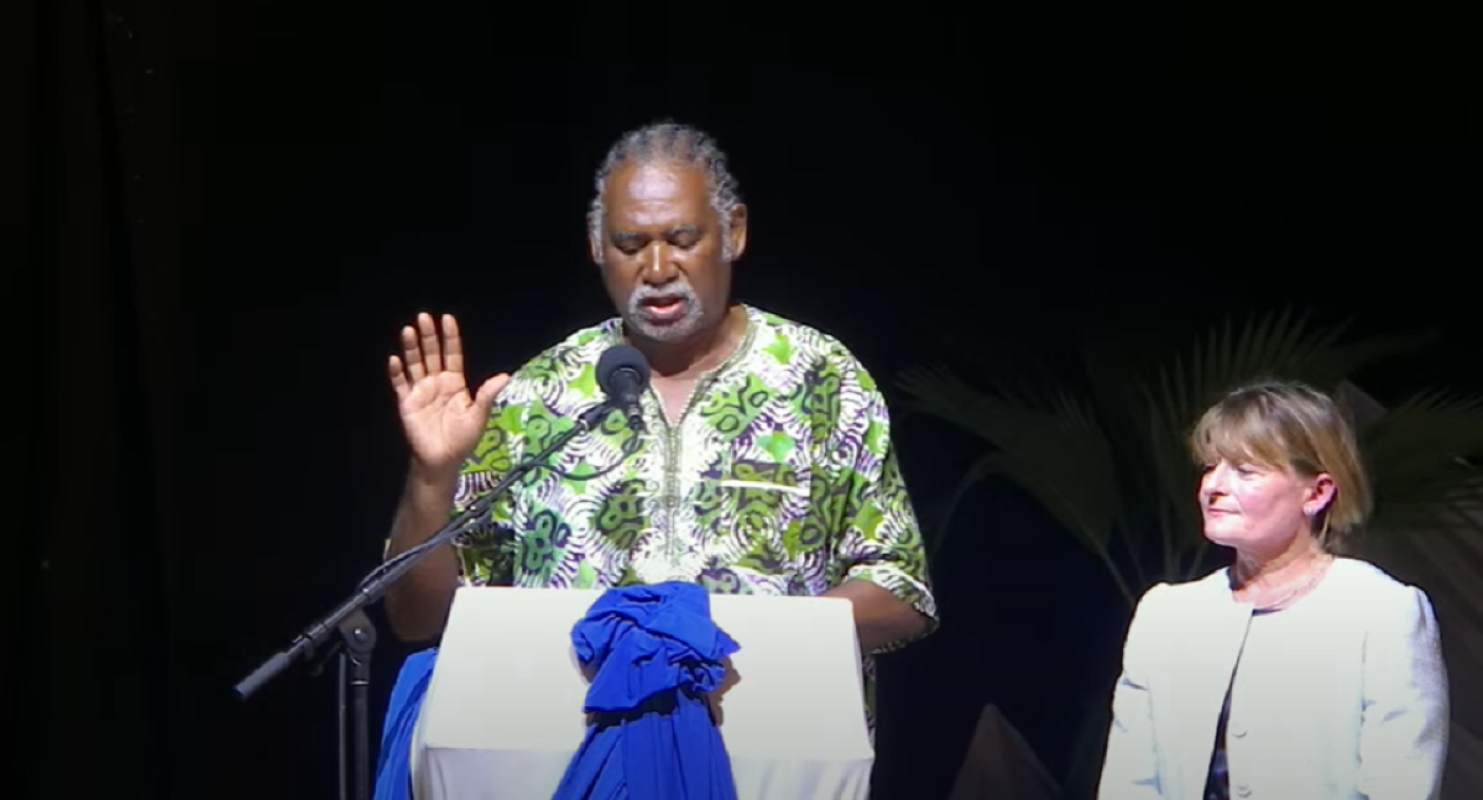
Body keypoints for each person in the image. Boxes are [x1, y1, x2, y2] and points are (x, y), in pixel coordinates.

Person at [380, 121, 937, 727]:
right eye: (629, 243)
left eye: (682, 238)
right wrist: (432, 481)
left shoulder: (820, 380)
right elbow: (419, 619)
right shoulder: (537, 396)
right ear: (596, 246)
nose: (657, 266)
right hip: (571, 754)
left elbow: (902, 592)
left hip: (769, 747)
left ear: (734, 232)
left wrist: (736, 638)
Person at [1097, 379, 1449, 800]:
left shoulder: (1381, 612)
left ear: (1317, 492)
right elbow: (1130, 783)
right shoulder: (1166, 615)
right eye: (1211, 466)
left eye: (1245, 471)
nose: (1214, 486)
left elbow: (1400, 787)